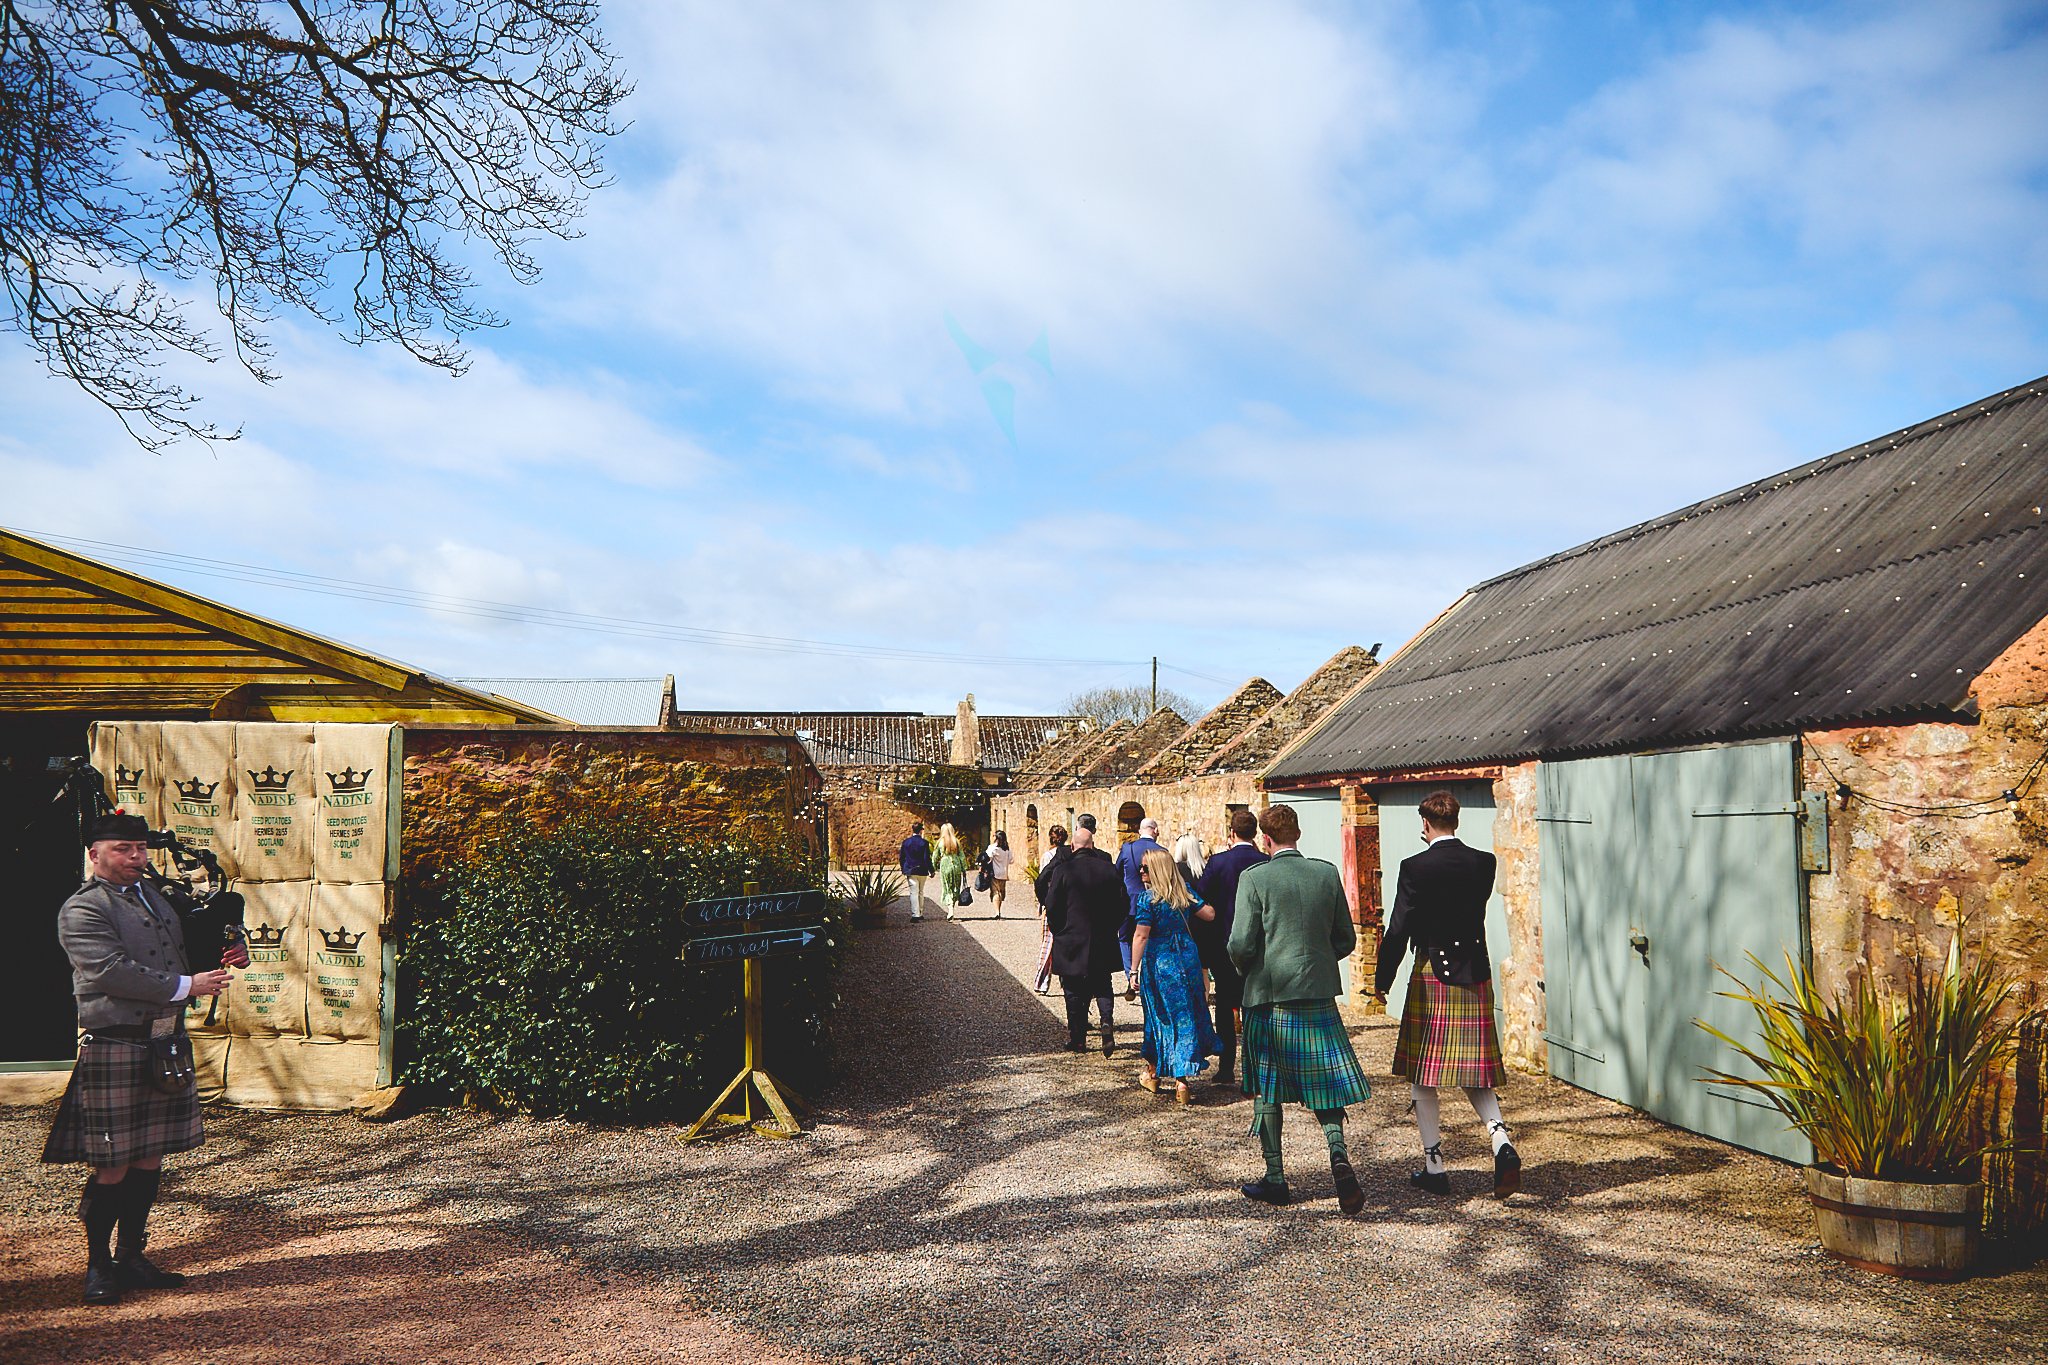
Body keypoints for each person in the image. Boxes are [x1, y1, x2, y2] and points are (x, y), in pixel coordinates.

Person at [42, 812, 247, 1304]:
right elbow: (109, 971)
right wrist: (187, 986)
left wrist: (230, 947)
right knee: (111, 1163)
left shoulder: (156, 897)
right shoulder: (82, 909)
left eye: (140, 849)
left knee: (150, 1157)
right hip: (115, 1041)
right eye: (123, 849)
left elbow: (190, 943)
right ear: (95, 855)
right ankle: (99, 1266)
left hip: (164, 1042)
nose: (137, 858)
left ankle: (132, 1256)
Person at [1376, 790, 1520, 1199]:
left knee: (1424, 1073)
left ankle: (1435, 1167)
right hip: (1474, 973)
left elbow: (1400, 926)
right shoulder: (1483, 863)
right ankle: (1501, 1142)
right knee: (1476, 1071)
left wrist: (1382, 979)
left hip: (1432, 974)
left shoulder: (1414, 867)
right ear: (1456, 820)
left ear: (1425, 824)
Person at [1229, 804, 1371, 1214]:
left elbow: (1241, 944)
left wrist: (1246, 967)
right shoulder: (1325, 874)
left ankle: (1276, 1179)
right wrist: (1320, 963)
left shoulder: (1254, 879)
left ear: (1266, 840)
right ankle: (1338, 1155)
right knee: (1324, 1081)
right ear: (1298, 835)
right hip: (1318, 996)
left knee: (1267, 1089)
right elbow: (1345, 938)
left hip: (1269, 1000)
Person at [1130, 848, 1222, 1105]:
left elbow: (1141, 935)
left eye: (1145, 868)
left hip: (1160, 961)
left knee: (1159, 1015)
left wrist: (1133, 970)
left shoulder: (1147, 899)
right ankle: (1182, 1082)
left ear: (1156, 871)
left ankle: (1156, 1074)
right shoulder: (1186, 893)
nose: (1140, 871)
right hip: (1187, 957)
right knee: (1185, 1014)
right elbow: (1210, 914)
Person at [1195, 808, 1268, 1086]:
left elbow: (1199, 898)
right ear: (1255, 834)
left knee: (1225, 1007)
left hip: (1224, 945)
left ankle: (1226, 1068)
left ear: (1232, 833)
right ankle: (1257, 1069)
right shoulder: (1265, 861)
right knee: (1256, 1007)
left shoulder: (1218, 863)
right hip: (1259, 946)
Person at [1042, 814, 1124, 1054]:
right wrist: (1111, 926)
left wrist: (1060, 929)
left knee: (1073, 989)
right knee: (1102, 983)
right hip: (1102, 936)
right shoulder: (1109, 868)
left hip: (1072, 938)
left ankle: (1078, 1038)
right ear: (1092, 845)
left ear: (1074, 846)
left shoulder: (1063, 870)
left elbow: (1052, 904)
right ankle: (1106, 1020)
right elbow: (1122, 904)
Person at [1114, 816, 1164, 998]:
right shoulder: (1162, 852)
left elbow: (1116, 872)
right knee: (1151, 939)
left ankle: (1131, 976)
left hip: (1129, 902)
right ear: (1155, 831)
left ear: (1139, 831)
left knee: (1125, 939)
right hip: (1155, 902)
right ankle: (1149, 979)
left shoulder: (1127, 849)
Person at [1033, 825, 1071, 994]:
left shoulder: (1047, 856)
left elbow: (1041, 880)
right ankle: (1066, 979)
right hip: (1068, 903)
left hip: (1052, 902)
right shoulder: (1071, 855)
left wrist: (1043, 902)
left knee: (1047, 943)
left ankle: (1043, 981)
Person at [899, 821, 934, 922]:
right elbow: (927, 859)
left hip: (910, 870)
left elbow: (902, 857)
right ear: (921, 830)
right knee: (921, 892)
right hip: (922, 870)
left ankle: (915, 914)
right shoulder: (924, 843)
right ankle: (920, 912)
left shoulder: (906, 842)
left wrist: (903, 868)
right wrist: (931, 870)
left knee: (913, 892)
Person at [937, 823, 968, 920]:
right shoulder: (956, 842)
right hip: (956, 865)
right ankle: (952, 907)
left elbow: (935, 856)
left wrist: (933, 867)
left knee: (947, 887)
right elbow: (962, 856)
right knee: (955, 887)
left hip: (945, 864)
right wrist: (964, 868)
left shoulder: (940, 842)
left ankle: (950, 908)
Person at [985, 830, 1014, 918]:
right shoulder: (1007, 849)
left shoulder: (993, 848)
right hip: (1004, 873)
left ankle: (997, 912)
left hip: (995, 873)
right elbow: (1011, 861)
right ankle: (999, 910)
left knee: (995, 892)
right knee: (1001, 892)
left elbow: (988, 858)